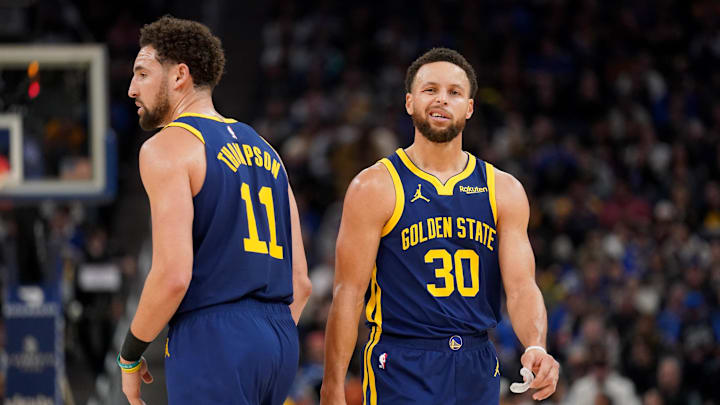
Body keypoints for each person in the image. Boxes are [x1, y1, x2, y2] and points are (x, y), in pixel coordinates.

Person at [320, 48, 559, 404]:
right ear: (409, 102)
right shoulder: (375, 186)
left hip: (476, 360)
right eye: (430, 89)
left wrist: (536, 344)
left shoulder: (503, 190)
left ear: (470, 107)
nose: (441, 100)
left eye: (454, 92)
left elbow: (522, 288)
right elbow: (349, 294)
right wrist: (333, 385)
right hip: (402, 360)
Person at [119, 16, 312, 405]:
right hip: (278, 339)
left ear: (179, 76)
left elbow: (173, 275)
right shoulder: (267, 150)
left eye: (142, 73)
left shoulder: (166, 147)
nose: (131, 89)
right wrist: (259, 337)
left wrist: (129, 355)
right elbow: (301, 282)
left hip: (214, 335)